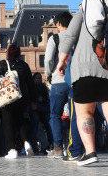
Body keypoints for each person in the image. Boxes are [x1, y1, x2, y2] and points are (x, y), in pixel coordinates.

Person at [56, 0, 108, 166]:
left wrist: (60, 62)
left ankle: (90, 152)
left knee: (84, 109)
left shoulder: (87, 4)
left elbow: (68, 37)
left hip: (87, 64)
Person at [0, 44, 36, 159]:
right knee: (20, 121)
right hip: (21, 98)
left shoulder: (3, 64)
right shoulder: (24, 65)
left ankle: (12, 149)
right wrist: (33, 100)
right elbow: (31, 85)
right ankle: (26, 143)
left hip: (8, 99)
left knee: (8, 124)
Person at [45, 11, 72, 158]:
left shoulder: (54, 38)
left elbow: (49, 59)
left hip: (58, 81)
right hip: (76, 80)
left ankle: (57, 148)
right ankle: (78, 146)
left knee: (55, 115)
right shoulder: (77, 37)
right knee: (77, 113)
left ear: (59, 24)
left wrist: (48, 73)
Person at [30, 72, 53, 154]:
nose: (39, 79)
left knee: (48, 126)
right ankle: (33, 146)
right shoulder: (31, 88)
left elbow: (47, 99)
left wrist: (42, 100)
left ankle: (51, 146)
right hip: (35, 109)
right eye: (37, 78)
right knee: (35, 127)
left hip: (43, 109)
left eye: (40, 78)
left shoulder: (44, 87)